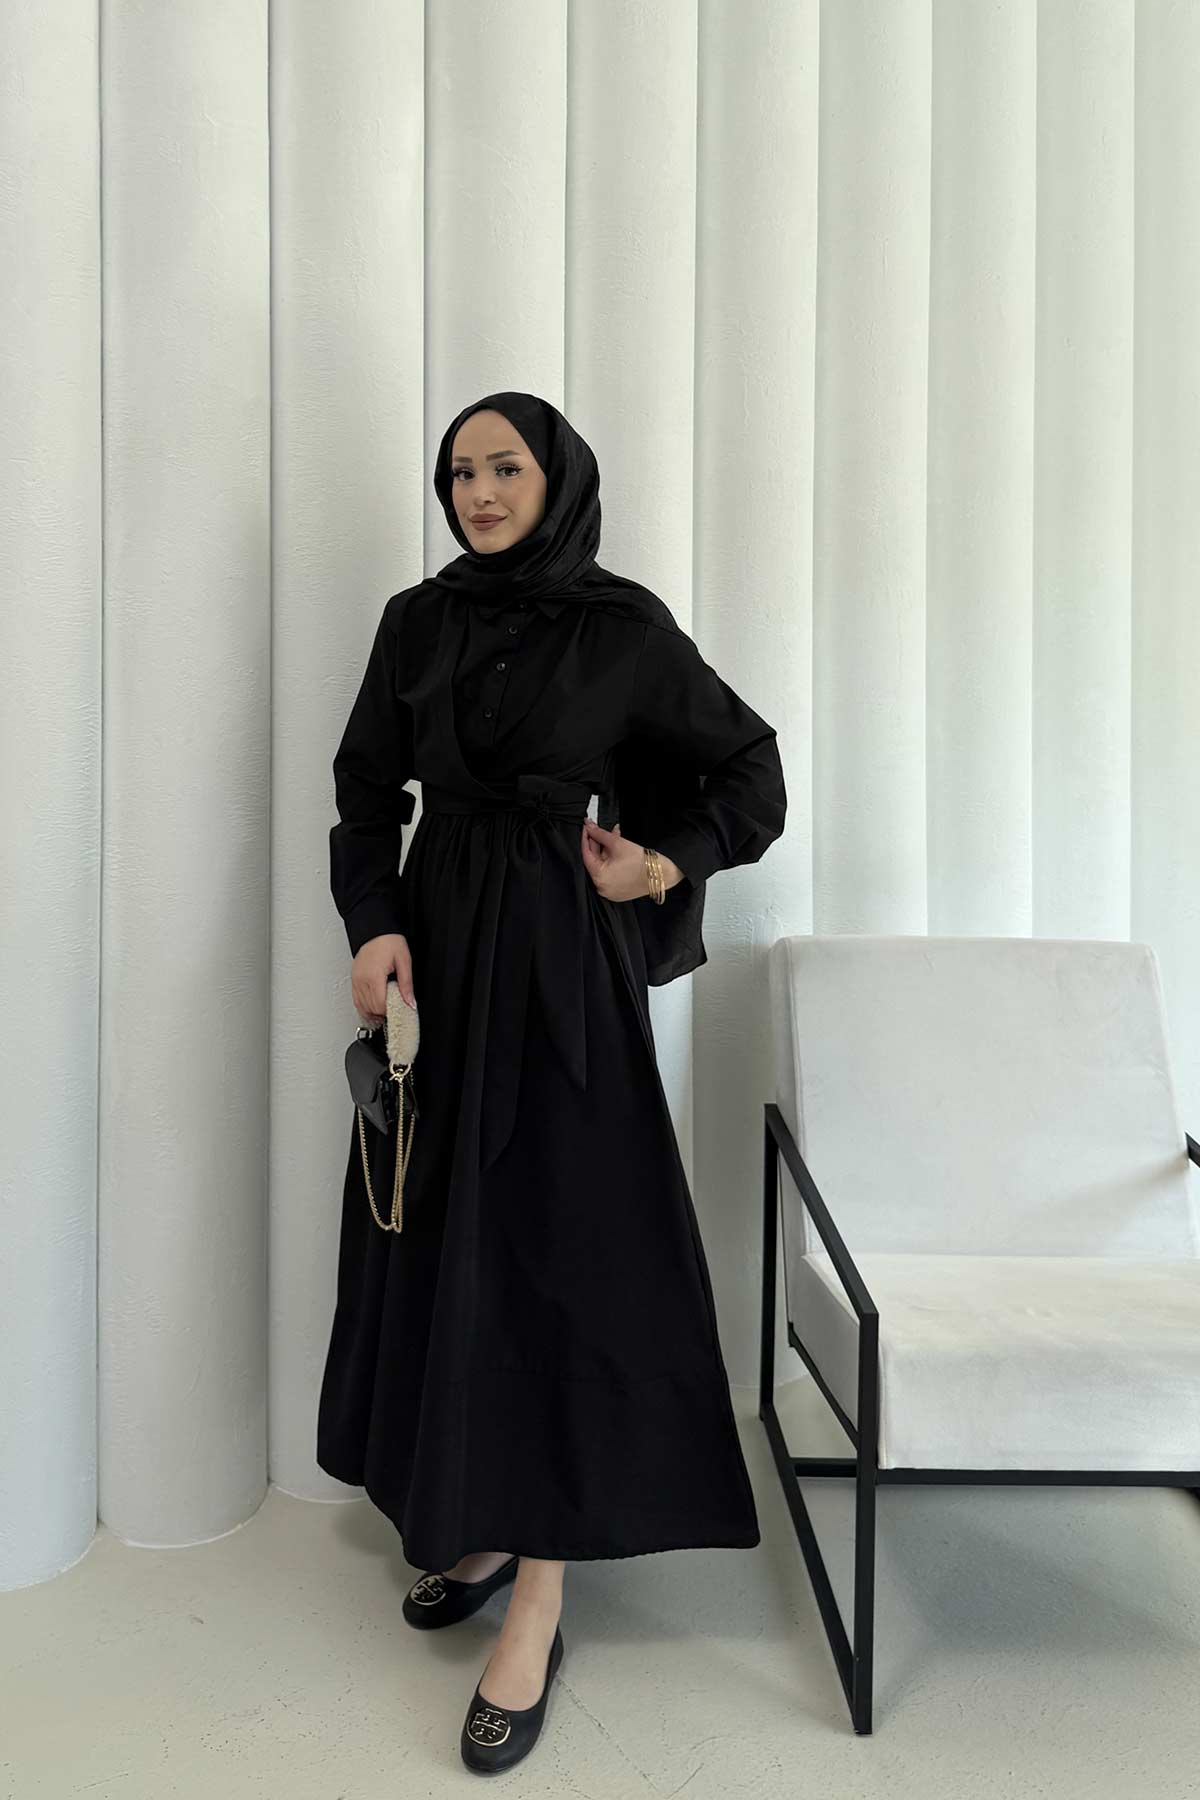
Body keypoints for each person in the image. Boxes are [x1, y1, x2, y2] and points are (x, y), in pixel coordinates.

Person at [316, 390, 787, 1774]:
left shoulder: (622, 628)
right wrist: (374, 923)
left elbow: (749, 769)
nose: (479, 491)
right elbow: (365, 789)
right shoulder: (417, 622)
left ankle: (542, 1591)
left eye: (505, 466)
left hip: (561, 971)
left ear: (558, 478)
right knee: (447, 1237)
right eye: (460, 471)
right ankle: (475, 1517)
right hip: (439, 964)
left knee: (559, 1253)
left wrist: (665, 862)